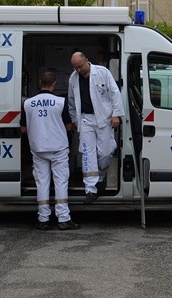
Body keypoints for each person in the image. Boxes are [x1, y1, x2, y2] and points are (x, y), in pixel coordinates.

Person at [21, 71, 79, 230]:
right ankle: (63, 219)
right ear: (53, 84)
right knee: (60, 182)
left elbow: (24, 129)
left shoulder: (28, 103)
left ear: (40, 83)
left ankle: (43, 219)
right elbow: (68, 126)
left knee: (42, 183)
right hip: (58, 148)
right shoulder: (61, 102)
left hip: (38, 149)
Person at [68, 51, 124, 204]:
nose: (78, 70)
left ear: (86, 60)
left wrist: (116, 114)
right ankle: (90, 189)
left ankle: (101, 177)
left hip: (104, 118)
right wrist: (74, 120)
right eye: (75, 68)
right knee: (87, 153)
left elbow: (115, 93)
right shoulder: (73, 79)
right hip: (85, 119)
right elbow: (72, 102)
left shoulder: (102, 72)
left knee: (105, 152)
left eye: (80, 67)